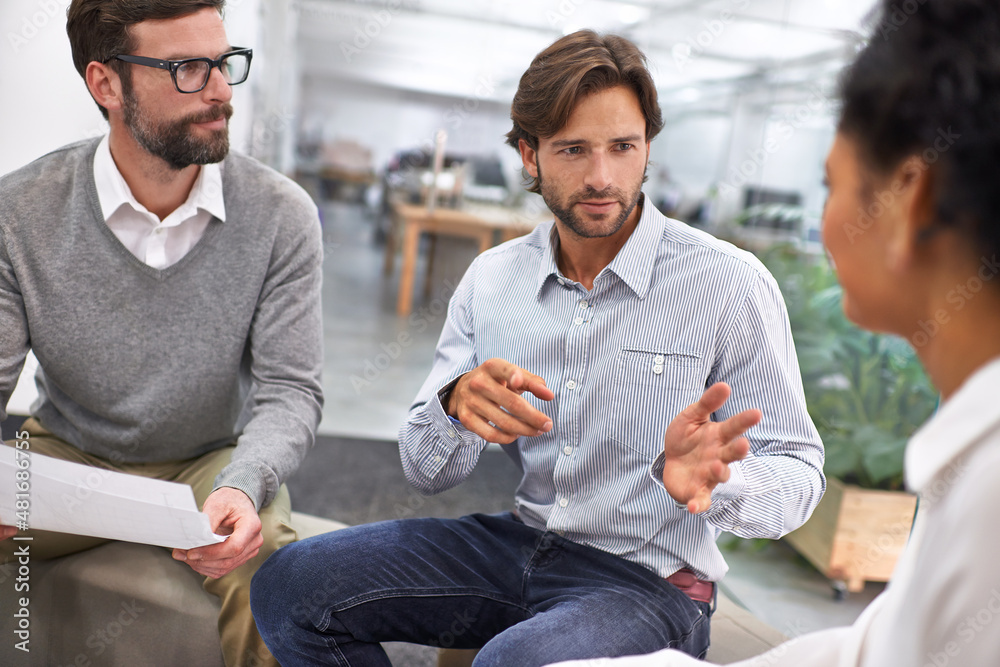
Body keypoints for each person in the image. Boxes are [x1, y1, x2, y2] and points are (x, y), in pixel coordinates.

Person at [250, 30, 823, 666]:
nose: (602, 176)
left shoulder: (729, 284)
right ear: (529, 154)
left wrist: (722, 482)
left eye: (622, 147)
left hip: (649, 586)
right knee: (289, 585)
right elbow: (424, 471)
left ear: (646, 150)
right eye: (573, 150)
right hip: (521, 546)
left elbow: (799, 469)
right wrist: (454, 406)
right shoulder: (494, 280)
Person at [547, 1, 1000, 666]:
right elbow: (882, 650)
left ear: (911, 203)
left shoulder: (988, 496)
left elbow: (795, 474)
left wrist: (723, 481)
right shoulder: (971, 467)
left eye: (830, 185)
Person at [0, 1, 323, 666]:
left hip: (211, 461)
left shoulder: (283, 217)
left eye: (223, 63)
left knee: (282, 586)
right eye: (185, 69)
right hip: (67, 455)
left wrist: (244, 481)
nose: (219, 91)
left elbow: (291, 391)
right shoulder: (19, 214)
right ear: (105, 84)